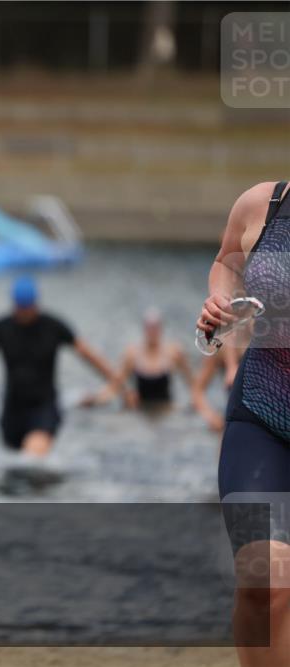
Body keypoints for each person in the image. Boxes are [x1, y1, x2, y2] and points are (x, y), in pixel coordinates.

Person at [200, 180, 290, 666]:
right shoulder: (265, 203)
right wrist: (221, 301)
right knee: (265, 581)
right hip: (263, 415)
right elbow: (228, 260)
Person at [0, 276, 117, 457]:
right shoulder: (1, 327)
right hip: (12, 409)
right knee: (14, 465)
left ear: (36, 303)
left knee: (33, 455)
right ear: (14, 304)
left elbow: (89, 355)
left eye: (28, 307)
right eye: (20, 307)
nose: (24, 312)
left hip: (44, 407)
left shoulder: (53, 326)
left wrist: (117, 383)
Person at [91, 308, 194, 413]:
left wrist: (196, 404)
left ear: (161, 328)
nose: (152, 332)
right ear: (144, 329)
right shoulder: (132, 354)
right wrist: (95, 399)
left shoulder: (174, 353)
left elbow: (192, 384)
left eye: (155, 327)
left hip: (165, 409)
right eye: (150, 328)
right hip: (141, 410)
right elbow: (116, 385)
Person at [190, 341, 244, 433]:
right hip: (232, 422)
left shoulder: (264, 341)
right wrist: (211, 417)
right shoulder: (220, 348)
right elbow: (197, 391)